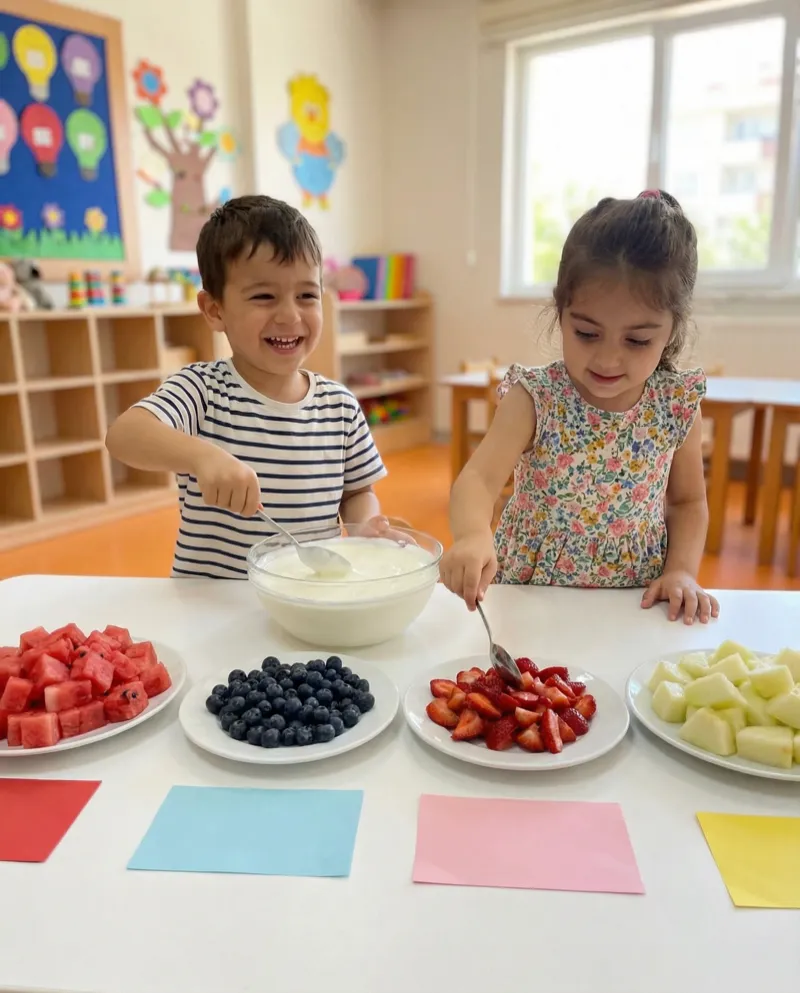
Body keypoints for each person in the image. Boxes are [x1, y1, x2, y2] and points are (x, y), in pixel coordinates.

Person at [441, 190, 720, 625]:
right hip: (531, 593)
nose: (608, 359)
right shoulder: (536, 397)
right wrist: (474, 535)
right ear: (561, 312)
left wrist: (682, 570)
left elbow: (687, 501)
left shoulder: (675, 404)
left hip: (635, 598)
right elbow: (478, 478)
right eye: (587, 333)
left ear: (672, 330)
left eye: (637, 340)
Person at [105, 195, 389, 578]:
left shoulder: (340, 407)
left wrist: (364, 528)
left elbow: (357, 492)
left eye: (307, 295)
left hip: (305, 597)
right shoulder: (202, 390)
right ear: (214, 310)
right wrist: (203, 457)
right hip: (210, 604)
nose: (290, 315)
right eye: (264, 297)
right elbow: (124, 434)